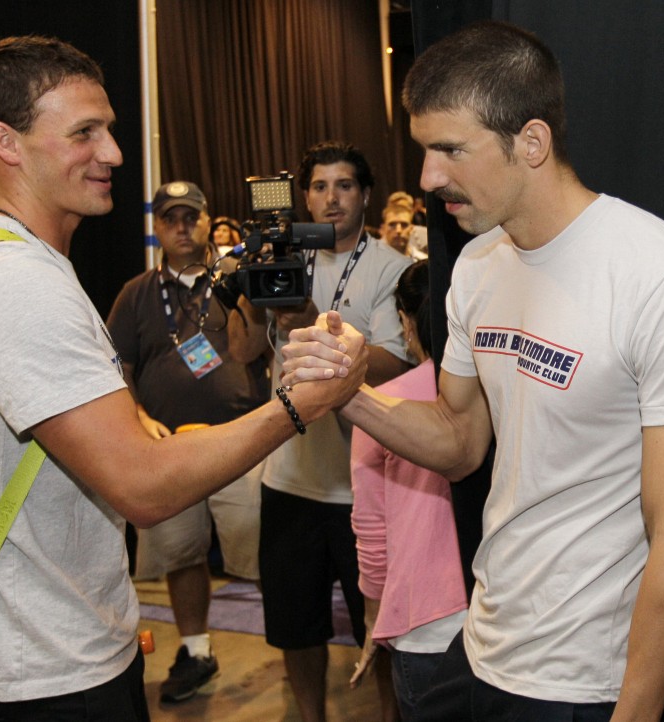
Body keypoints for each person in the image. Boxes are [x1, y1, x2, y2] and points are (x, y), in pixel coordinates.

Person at [280, 21, 664, 721]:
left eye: (450, 150)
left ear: (531, 142)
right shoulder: (477, 266)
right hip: (483, 642)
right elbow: (460, 442)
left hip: (588, 680)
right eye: (425, 150)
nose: (428, 178)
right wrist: (351, 396)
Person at [0, 35, 366, 721]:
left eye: (110, 130)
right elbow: (144, 486)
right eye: (84, 133)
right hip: (46, 671)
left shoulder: (10, 266)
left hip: (51, 648)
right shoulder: (10, 284)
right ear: (6, 142)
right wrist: (299, 405)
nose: (114, 154)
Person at [229, 140, 412, 722]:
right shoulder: (285, 254)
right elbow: (244, 351)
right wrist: (248, 288)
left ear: (366, 194)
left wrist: (313, 323)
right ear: (303, 197)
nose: (332, 198)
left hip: (364, 485)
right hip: (288, 479)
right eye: (319, 187)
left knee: (378, 629)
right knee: (295, 626)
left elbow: (394, 363)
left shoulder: (391, 268)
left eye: (345, 185)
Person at [106, 180, 269, 703]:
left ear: (207, 220)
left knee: (262, 550)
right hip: (170, 449)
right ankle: (196, 651)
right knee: (181, 553)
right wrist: (136, 415)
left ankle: (291, 647)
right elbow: (116, 367)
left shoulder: (235, 278)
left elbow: (258, 348)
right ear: (156, 227)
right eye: (170, 218)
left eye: (191, 217)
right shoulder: (136, 293)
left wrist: (243, 287)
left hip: (240, 440)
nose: (181, 227)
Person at [348, 260, 468, 721]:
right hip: (507, 616)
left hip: (425, 624)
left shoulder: (379, 405)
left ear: (407, 322)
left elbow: (372, 529)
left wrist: (372, 619)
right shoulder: (504, 389)